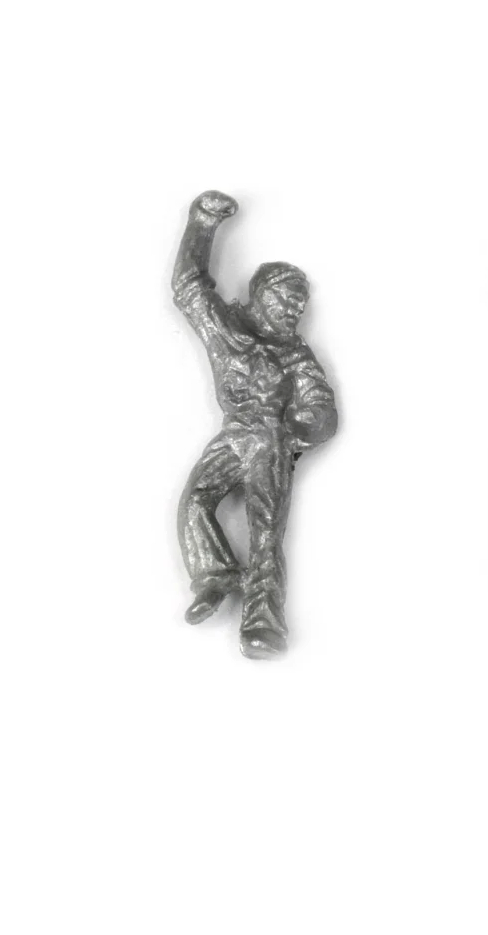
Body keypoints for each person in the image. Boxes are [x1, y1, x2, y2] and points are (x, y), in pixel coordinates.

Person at [173, 191, 337, 658]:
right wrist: (203, 222)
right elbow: (188, 286)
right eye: (287, 300)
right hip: (232, 435)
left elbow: (322, 407)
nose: (294, 310)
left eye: (300, 305)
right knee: (196, 501)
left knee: (266, 532)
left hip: (270, 439)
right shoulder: (226, 329)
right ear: (262, 295)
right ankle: (216, 574)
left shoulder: (296, 352)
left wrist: (300, 431)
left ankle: (263, 623)